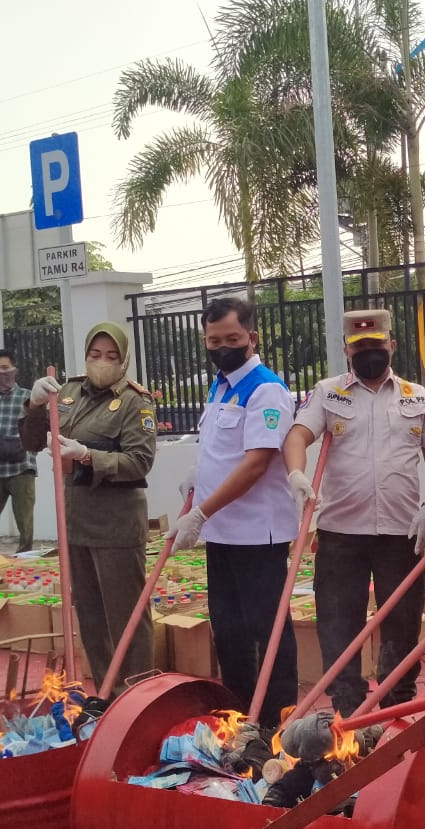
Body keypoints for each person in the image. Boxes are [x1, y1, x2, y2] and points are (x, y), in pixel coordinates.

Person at [282, 309, 425, 716]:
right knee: (338, 625)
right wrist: (297, 474)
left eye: (376, 344)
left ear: (392, 345)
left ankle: (396, 705)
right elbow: (298, 435)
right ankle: (348, 711)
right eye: (360, 347)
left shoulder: (417, 396)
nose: (369, 352)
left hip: (402, 533)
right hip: (341, 534)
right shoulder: (328, 392)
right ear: (347, 350)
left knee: (402, 624)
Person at [170, 298, 299, 727]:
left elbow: (256, 463)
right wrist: (199, 476)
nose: (222, 348)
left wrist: (200, 512)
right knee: (227, 630)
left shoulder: (265, 389)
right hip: (221, 532)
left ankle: (276, 720)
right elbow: (222, 451)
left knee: (268, 630)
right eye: (213, 341)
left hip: (257, 534)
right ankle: (239, 713)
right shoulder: (220, 385)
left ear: (252, 338)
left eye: (232, 339)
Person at [20, 322, 157, 689]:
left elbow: (139, 461)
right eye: (95, 354)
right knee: (91, 617)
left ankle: (137, 693)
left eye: (111, 356)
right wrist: (34, 405)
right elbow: (32, 442)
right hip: (75, 522)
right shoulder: (67, 392)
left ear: (124, 360)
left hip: (115, 526)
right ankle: (106, 692)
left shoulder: (135, 401)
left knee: (126, 617)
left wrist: (86, 455)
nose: (102, 362)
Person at [0, 348, 36, 556]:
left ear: (14, 369)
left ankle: (24, 560)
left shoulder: (28, 397)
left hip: (23, 466)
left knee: (25, 522)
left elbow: (37, 429)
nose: (1, 372)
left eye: (5, 367)